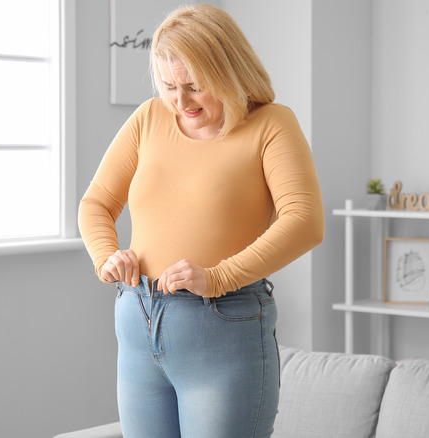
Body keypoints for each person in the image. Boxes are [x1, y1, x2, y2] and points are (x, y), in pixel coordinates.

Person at [78, 4, 324, 437]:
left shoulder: (271, 125)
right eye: (169, 86)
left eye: (194, 85)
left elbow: (304, 220)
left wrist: (219, 276)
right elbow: (96, 202)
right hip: (137, 320)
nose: (180, 101)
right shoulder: (149, 118)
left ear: (230, 70)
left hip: (224, 325)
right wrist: (106, 256)